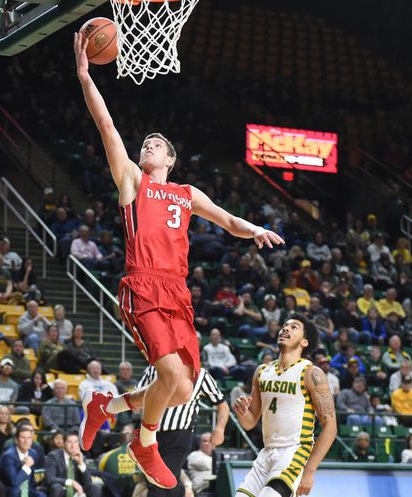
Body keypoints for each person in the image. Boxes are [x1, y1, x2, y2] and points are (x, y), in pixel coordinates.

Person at [74, 31, 284, 489]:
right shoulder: (131, 179)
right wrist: (86, 77)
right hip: (142, 285)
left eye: (155, 144)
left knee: (183, 389)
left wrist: (255, 230)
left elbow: (228, 220)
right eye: (145, 143)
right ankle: (143, 442)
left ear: (171, 158)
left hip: (177, 291)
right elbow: (107, 126)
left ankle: (104, 408)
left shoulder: (186, 194)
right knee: (169, 374)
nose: (147, 145)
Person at [233, 315, 336, 497]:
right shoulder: (262, 371)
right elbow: (250, 423)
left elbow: (330, 427)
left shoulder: (311, 373)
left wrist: (310, 471)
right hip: (266, 454)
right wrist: (242, 413)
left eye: (294, 327)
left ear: (304, 342)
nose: (286, 329)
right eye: (284, 326)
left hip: (294, 451)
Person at [136, 365, 228, 497]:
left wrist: (219, 428)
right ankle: (182, 492)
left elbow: (223, 405)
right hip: (150, 435)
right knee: (163, 483)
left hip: (179, 435)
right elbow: (137, 396)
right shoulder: (153, 368)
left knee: (159, 483)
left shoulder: (201, 375)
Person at [45, 432, 101, 497]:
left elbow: (88, 482)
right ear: (63, 443)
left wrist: (81, 464)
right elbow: (50, 478)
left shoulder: (81, 457)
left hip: (78, 491)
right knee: (56, 488)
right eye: (69, 442)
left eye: (75, 442)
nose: (73, 445)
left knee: (96, 488)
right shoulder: (53, 456)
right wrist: (72, 482)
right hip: (62, 488)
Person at [0, 426, 43, 497]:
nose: (26, 441)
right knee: (16, 491)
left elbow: (31, 477)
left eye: (29, 438)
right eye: (23, 438)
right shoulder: (8, 456)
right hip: (11, 489)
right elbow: (14, 482)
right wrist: (26, 466)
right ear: (16, 440)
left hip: (28, 489)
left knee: (41, 495)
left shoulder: (33, 453)